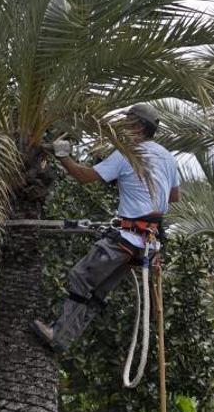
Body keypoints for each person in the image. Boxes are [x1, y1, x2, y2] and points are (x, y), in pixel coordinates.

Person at [29, 103, 180, 353]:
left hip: (126, 237)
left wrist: (62, 156)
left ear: (139, 126)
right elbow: (174, 196)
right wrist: (134, 183)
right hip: (149, 245)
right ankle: (63, 338)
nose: (122, 125)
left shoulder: (127, 153)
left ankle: (59, 333)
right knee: (97, 290)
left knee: (80, 276)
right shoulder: (168, 157)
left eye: (127, 120)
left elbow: (84, 176)